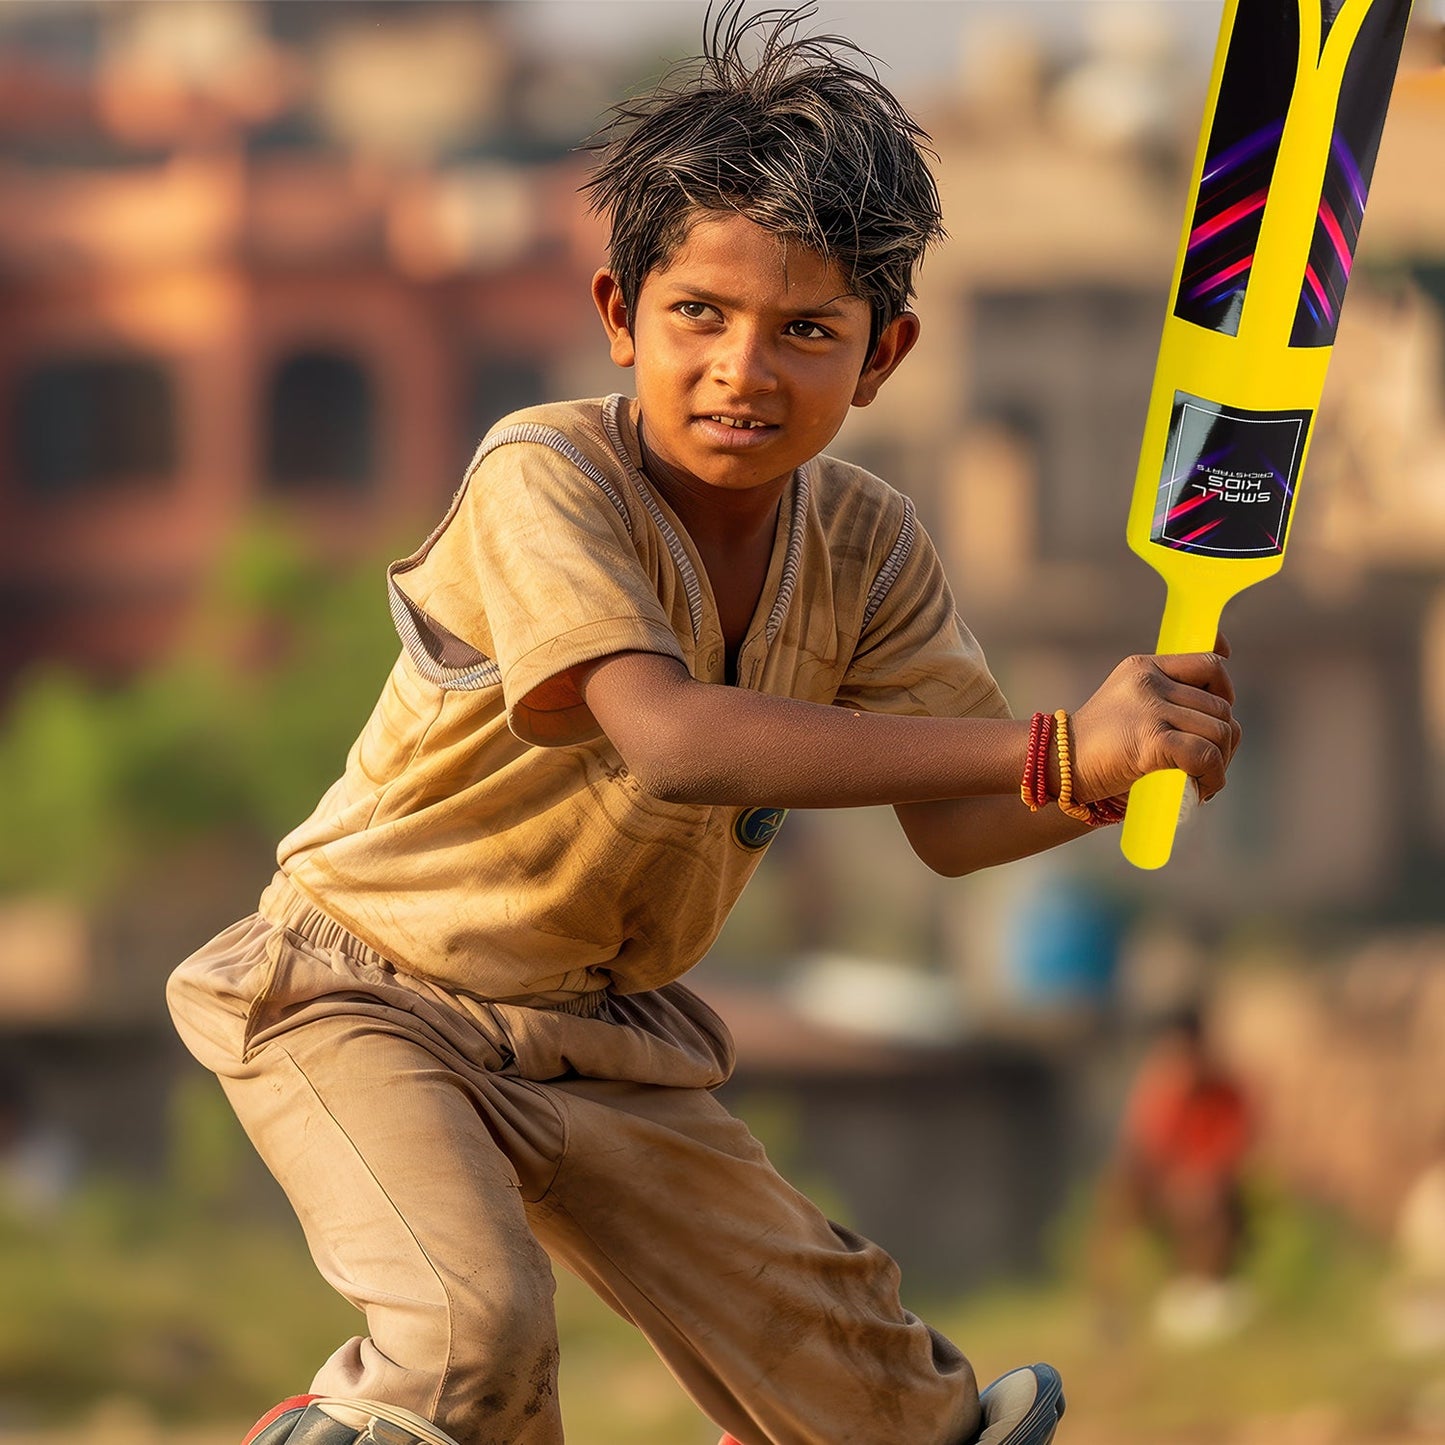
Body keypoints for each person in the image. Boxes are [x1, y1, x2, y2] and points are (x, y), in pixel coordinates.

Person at [167, 6, 1240, 1443]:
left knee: (881, 1402)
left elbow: (960, 827)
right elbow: (671, 739)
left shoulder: (868, 541)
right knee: (469, 1344)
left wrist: (1119, 759)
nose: (745, 368)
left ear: (883, 354)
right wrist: (1052, 743)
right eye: (701, 316)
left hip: (608, 1039)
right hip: (367, 996)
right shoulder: (543, 472)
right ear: (620, 315)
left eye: (806, 330)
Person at [1101, 1006, 1254, 1343]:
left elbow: (1234, 1154)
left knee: (1206, 1203)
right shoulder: (1161, 1094)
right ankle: (1111, 1306)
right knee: (1115, 1200)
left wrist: (1199, 1181)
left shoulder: (1226, 1092)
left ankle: (1207, 1287)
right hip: (1165, 1190)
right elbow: (1143, 1155)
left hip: (1214, 1193)